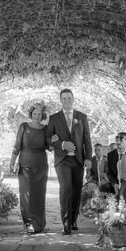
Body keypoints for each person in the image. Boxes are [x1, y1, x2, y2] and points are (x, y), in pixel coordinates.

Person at [46, 88, 92, 235]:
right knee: (66, 189)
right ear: (60, 100)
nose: (67, 101)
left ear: (73, 99)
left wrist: (88, 158)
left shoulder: (82, 117)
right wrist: (62, 144)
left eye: (69, 98)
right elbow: (47, 140)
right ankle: (66, 223)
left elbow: (87, 140)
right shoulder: (54, 118)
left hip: (78, 160)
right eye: (64, 98)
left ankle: (73, 220)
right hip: (62, 160)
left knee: (77, 190)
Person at [10, 101, 49, 233]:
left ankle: (40, 224)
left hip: (41, 166)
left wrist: (53, 136)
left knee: (39, 196)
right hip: (25, 165)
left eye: (39, 113)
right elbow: (17, 146)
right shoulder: (24, 126)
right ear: (31, 113)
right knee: (26, 196)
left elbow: (49, 147)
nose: (37, 116)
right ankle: (29, 225)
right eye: (34, 113)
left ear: (43, 115)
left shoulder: (45, 129)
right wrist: (12, 161)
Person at [107, 133, 126, 202]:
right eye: (117, 140)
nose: (118, 143)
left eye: (121, 140)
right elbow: (109, 172)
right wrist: (114, 184)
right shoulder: (111, 155)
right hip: (115, 184)